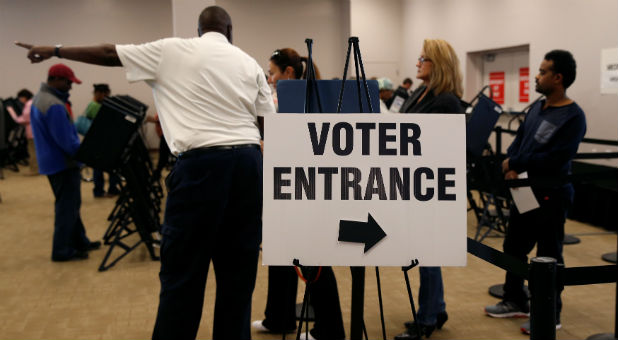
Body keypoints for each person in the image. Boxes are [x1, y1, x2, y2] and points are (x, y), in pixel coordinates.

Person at [17, 6, 274, 339]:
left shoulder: (171, 49)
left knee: (183, 276)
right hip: (248, 167)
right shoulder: (248, 62)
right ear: (230, 31)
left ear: (198, 30)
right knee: (237, 278)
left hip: (200, 168)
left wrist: (53, 50)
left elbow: (109, 52)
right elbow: (268, 124)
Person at [485, 50, 586, 335]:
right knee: (514, 248)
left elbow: (555, 158)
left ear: (558, 78)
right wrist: (510, 165)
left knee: (549, 255)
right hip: (523, 191)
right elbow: (520, 142)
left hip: (551, 195)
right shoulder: (536, 108)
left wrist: (514, 163)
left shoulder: (573, 116)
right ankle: (514, 299)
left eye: (542, 72)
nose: (536, 77)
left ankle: (549, 314)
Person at [251, 47, 345, 340]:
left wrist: (271, 146)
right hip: (284, 187)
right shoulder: (284, 101)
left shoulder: (305, 101)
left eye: (272, 72)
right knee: (280, 254)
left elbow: (309, 145)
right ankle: (279, 318)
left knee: (312, 257)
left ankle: (330, 330)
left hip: (306, 189)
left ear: (288, 73)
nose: (268, 78)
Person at [396, 39, 464, 340]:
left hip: (429, 186)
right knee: (423, 252)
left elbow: (434, 147)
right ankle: (436, 308)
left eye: (423, 58)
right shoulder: (419, 93)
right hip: (411, 182)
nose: (417, 63)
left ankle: (427, 317)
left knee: (427, 252)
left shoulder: (447, 101)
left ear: (438, 64)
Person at [28, 64, 101, 261]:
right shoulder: (54, 105)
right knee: (67, 208)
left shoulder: (40, 99)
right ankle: (61, 251)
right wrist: (86, 156)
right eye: (69, 82)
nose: (71, 87)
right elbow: (66, 141)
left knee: (71, 205)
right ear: (56, 79)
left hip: (51, 161)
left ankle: (80, 241)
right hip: (62, 163)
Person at [82, 83, 121, 197]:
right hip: (101, 141)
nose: (107, 97)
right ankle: (107, 189)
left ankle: (102, 190)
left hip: (99, 140)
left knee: (99, 167)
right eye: (106, 94)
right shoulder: (95, 106)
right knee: (104, 167)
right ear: (99, 93)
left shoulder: (93, 105)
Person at [6, 89, 38, 175]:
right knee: (35, 150)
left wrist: (14, 116)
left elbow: (25, 118)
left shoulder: (29, 104)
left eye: (20, 98)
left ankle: (34, 170)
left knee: (32, 151)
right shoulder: (34, 102)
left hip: (32, 132)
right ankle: (37, 169)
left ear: (24, 97)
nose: (20, 100)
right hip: (35, 131)